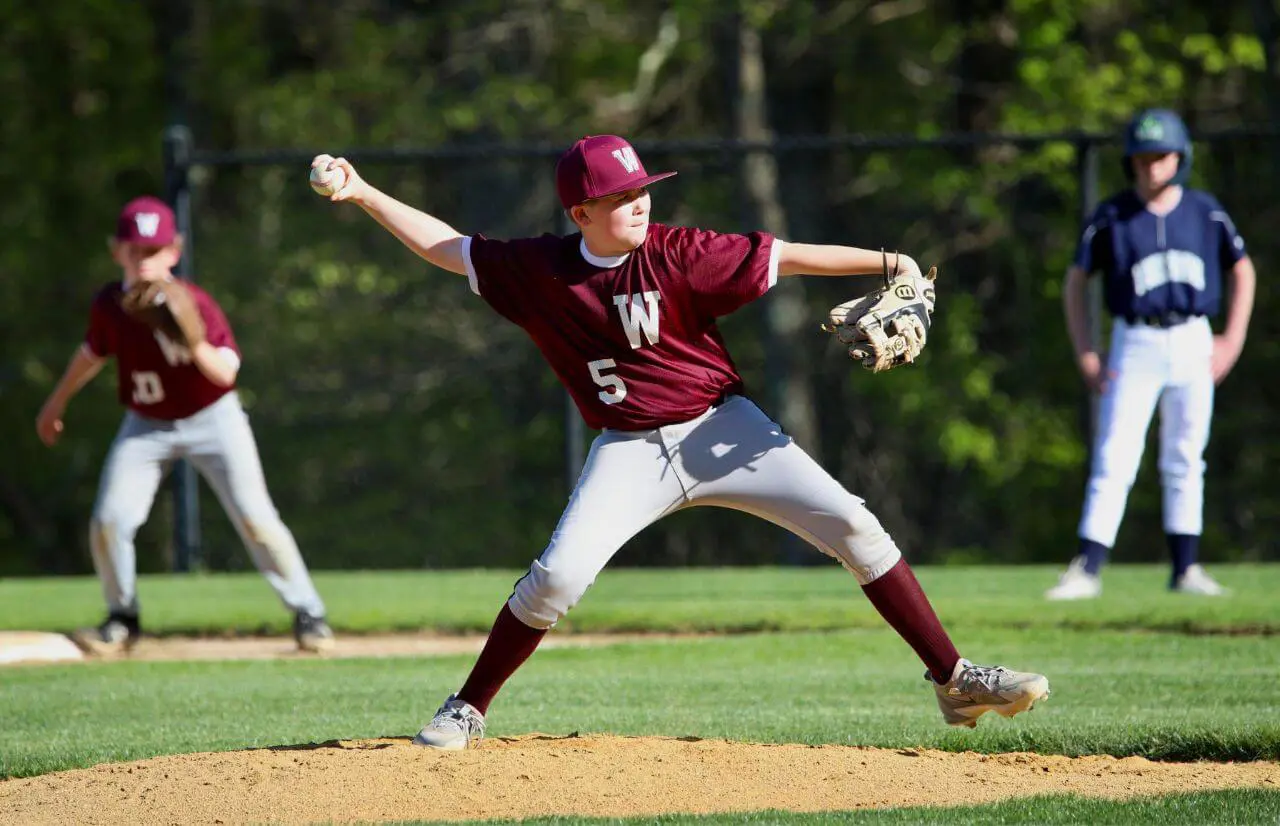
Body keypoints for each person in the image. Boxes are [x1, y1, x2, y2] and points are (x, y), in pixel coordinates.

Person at [313, 135, 1049, 749]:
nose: (641, 202)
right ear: (582, 212)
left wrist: (891, 264)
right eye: (622, 197)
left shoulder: (682, 252)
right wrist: (365, 192)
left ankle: (955, 682)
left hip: (720, 426)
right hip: (629, 450)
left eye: (644, 191)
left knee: (855, 525)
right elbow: (449, 248)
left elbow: (786, 255)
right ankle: (468, 706)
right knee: (557, 580)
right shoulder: (540, 270)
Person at [35, 196, 335, 655]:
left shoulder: (194, 303)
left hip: (213, 418)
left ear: (174, 251)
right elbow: (90, 354)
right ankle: (122, 618)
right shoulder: (110, 306)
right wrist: (54, 403)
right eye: (135, 251)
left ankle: (309, 613)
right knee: (110, 519)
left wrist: (189, 337)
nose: (145, 260)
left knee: (256, 519)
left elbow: (226, 375)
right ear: (117, 252)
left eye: (154, 251)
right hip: (146, 425)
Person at [1048, 109, 1256, 600]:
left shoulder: (1206, 211)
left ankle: (1187, 568)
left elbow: (1243, 271)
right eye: (1142, 159)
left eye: (1161, 157)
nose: (1151, 167)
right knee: (1116, 452)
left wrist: (1232, 337)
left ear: (1180, 158)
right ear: (1131, 163)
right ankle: (1087, 567)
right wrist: (1085, 351)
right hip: (1134, 339)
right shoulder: (1112, 216)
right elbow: (1075, 283)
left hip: (1192, 338)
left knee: (1185, 455)